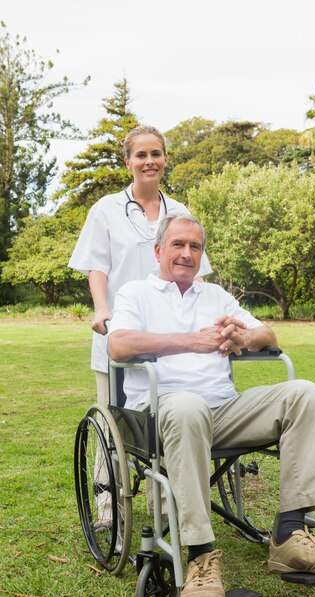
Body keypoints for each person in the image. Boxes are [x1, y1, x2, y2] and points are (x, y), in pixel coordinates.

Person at [107, 214, 315, 597]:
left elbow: (269, 336)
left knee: (304, 394)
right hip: (162, 414)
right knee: (188, 406)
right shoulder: (135, 293)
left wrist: (244, 336)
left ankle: (290, 536)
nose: (187, 253)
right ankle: (199, 556)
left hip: (224, 410)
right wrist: (190, 342)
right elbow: (119, 345)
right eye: (178, 244)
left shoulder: (215, 296)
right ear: (159, 250)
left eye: (195, 246)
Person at [68, 125, 212, 406]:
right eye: (141, 155)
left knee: (171, 414)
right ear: (128, 162)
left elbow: (195, 272)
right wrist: (101, 309)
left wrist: (207, 313)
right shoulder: (106, 209)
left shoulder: (180, 212)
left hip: (171, 333)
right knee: (116, 425)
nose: (149, 161)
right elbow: (96, 266)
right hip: (120, 327)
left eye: (156, 154)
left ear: (165, 159)